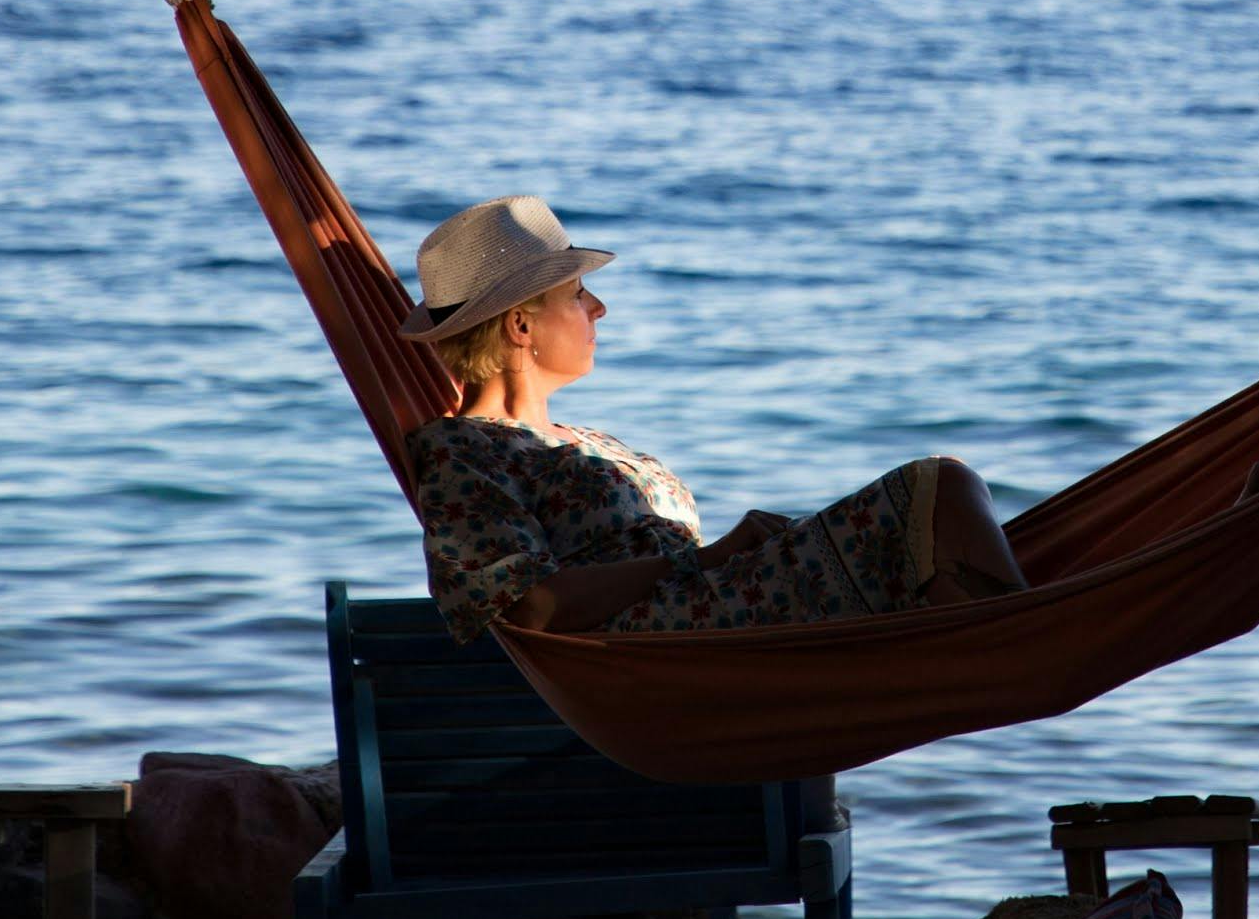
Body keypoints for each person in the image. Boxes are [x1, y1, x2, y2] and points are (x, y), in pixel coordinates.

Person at [392, 193, 1028, 641]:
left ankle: (976, 653)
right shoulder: (463, 454)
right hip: (682, 643)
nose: (601, 309)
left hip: (718, 614)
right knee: (939, 488)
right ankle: (1009, 647)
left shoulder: (586, 440)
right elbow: (526, 607)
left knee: (940, 516)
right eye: (579, 295)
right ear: (521, 324)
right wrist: (709, 559)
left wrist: (731, 554)